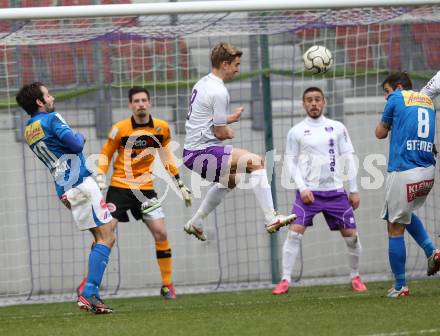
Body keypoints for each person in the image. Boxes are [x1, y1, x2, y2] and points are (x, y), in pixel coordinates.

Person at [80, 86, 192, 300]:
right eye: (136, 101)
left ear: (149, 103)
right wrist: (101, 174)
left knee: (161, 232)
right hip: (119, 188)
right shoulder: (119, 129)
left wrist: (179, 183)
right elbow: (105, 154)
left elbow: (167, 157)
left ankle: (167, 285)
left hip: (145, 190)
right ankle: (88, 282)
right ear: (130, 105)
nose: (140, 104)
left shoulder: (161, 128)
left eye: (144, 100)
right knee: (106, 233)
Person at [17, 82, 117, 314]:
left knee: (101, 234)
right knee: (107, 236)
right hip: (80, 182)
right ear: (40, 102)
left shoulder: (29, 129)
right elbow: (75, 143)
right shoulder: (52, 119)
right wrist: (80, 136)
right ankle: (88, 292)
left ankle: (90, 291)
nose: (52, 97)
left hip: (64, 186)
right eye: (48, 94)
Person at [182, 42, 295, 241]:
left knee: (231, 179)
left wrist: (228, 119)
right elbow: (219, 132)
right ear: (224, 64)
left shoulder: (204, 83)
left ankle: (197, 222)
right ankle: (271, 218)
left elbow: (207, 118)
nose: (237, 69)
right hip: (202, 152)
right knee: (256, 162)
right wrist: (228, 132)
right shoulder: (219, 91)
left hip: (193, 152)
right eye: (236, 64)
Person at [272, 87, 367, 295]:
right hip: (309, 195)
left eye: (317, 99)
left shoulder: (337, 127)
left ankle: (355, 276)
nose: (313, 103)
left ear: (324, 102)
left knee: (352, 237)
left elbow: (348, 158)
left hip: (336, 193)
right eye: (309, 100)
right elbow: (290, 162)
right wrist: (303, 187)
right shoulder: (296, 131)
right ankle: (285, 280)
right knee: (294, 234)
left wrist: (354, 190)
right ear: (303, 104)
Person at [375, 72, 440, 298]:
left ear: (399, 86)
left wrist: (391, 120)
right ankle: (432, 252)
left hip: (404, 171)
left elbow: (380, 133)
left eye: (387, 91)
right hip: (428, 173)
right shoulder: (427, 101)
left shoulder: (397, 98)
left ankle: (401, 286)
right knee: (405, 213)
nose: (386, 97)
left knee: (394, 226)